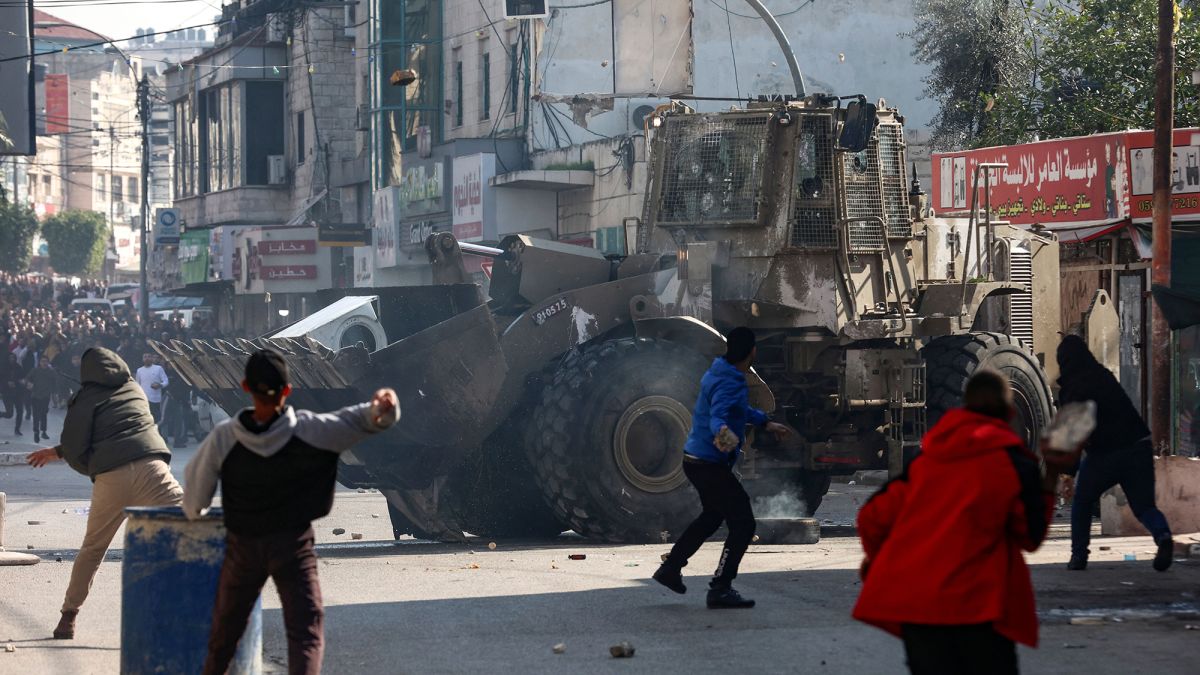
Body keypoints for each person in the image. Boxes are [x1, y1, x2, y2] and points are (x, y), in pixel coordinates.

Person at [183, 350, 399, 675]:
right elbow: (359, 420)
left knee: (225, 633)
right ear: (287, 390)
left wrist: (195, 511)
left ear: (245, 387)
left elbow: (195, 495)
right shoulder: (311, 430)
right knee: (305, 632)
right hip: (292, 546)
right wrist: (384, 408)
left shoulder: (224, 437)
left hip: (243, 546)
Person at [852, 370, 1067, 674]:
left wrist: (879, 562)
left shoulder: (924, 465)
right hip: (979, 610)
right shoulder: (1014, 464)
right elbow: (1030, 537)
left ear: (963, 410)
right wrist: (1052, 475)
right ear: (1009, 413)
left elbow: (872, 518)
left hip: (920, 612)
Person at [26, 348, 182, 640]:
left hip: (112, 476)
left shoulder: (84, 398)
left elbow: (76, 445)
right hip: (153, 468)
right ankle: (215, 609)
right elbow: (126, 429)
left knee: (93, 549)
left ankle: (68, 618)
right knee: (196, 525)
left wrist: (92, 466)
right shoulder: (134, 388)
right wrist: (59, 453)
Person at [652, 327, 789, 609]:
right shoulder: (731, 382)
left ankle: (670, 568)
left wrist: (765, 421)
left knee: (713, 516)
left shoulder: (719, 371)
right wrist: (725, 437)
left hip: (694, 460)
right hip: (709, 464)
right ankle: (721, 587)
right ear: (753, 351)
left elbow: (737, 409)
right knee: (744, 523)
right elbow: (719, 416)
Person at [1056, 334, 1174, 571]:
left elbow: (1074, 436)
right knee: (1144, 507)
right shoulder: (1103, 376)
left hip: (1104, 455)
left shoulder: (1072, 389)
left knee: (1083, 502)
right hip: (1138, 446)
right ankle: (1162, 536)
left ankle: (1079, 556)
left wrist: (1068, 473)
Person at [26, 356, 58, 443]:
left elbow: (56, 381)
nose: (44, 363)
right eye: (42, 361)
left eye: (46, 361)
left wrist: (54, 394)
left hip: (45, 396)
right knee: (36, 415)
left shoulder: (51, 372)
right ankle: (36, 432)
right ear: (39, 362)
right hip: (35, 395)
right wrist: (29, 383)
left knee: (44, 414)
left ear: (48, 363)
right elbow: (27, 378)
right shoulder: (35, 370)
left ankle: (43, 431)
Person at [134, 352, 169, 424]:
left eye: (149, 356)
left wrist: (160, 385)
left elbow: (166, 381)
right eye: (145, 357)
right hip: (144, 400)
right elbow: (137, 385)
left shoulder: (158, 368)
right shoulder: (139, 370)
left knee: (156, 420)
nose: (147, 358)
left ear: (152, 358)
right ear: (142, 359)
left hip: (156, 399)